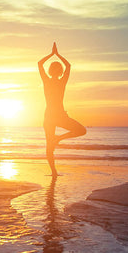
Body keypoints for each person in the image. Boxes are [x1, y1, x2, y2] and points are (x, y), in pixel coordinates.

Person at [38, 43, 86, 177]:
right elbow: (69, 66)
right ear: (59, 71)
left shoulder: (46, 81)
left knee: (49, 146)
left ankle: (54, 172)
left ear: (50, 71)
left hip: (49, 116)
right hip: (58, 115)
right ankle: (59, 139)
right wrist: (58, 55)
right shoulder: (61, 82)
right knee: (81, 130)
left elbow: (39, 64)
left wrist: (52, 55)